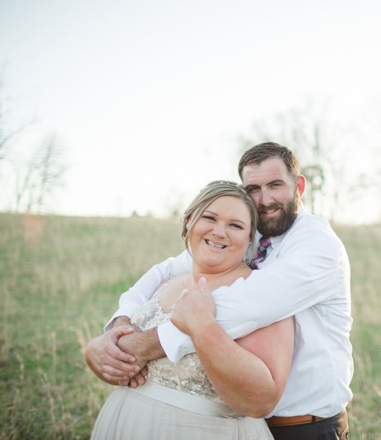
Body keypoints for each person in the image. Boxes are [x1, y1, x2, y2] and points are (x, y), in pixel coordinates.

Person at [86, 142, 353, 440]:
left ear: (299, 186)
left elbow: (245, 306)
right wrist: (118, 326)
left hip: (303, 424)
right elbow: (167, 271)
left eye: (275, 185)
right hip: (244, 417)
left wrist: (138, 348)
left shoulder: (318, 246)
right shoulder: (246, 234)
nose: (264, 199)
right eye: (253, 188)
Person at [87, 181, 294, 439]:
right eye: (210, 218)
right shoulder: (165, 284)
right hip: (125, 425)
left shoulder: (260, 293)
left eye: (235, 225)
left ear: (250, 238)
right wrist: (97, 352)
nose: (220, 232)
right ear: (189, 221)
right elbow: (122, 356)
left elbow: (262, 400)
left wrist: (202, 328)